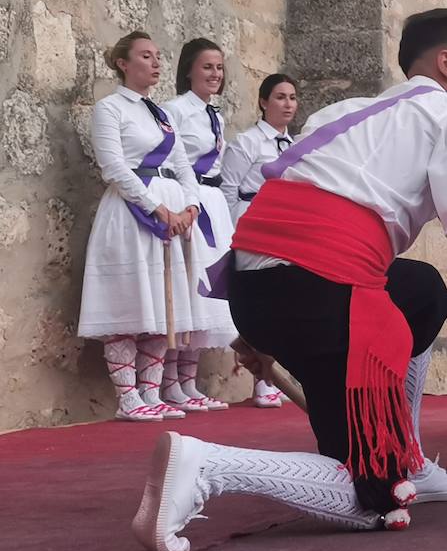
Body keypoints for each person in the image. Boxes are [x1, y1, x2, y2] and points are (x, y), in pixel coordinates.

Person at [131, 8, 447, 551]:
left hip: (262, 288)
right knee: (372, 499)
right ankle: (208, 465)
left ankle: (405, 455)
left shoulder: (347, 110)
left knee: (421, 290)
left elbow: (279, 200)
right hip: (322, 293)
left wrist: (257, 328)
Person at [78, 32, 202, 421]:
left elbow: (183, 164)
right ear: (123, 63)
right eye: (146, 56)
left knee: (161, 304)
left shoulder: (161, 114)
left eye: (158, 56)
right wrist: (156, 207)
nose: (156, 63)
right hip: (132, 212)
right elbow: (113, 166)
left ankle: (151, 392)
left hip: (171, 213)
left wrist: (191, 206)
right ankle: (128, 397)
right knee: (129, 300)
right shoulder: (109, 108)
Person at [158, 37, 237, 412]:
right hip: (190, 201)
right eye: (207, 66)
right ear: (189, 69)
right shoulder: (174, 110)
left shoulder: (215, 115)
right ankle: (170, 382)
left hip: (214, 203)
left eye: (219, 67)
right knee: (188, 285)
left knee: (206, 291)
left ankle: (188, 383)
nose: (215, 74)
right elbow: (168, 159)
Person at [219, 74, 298, 407]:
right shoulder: (247, 143)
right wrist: (232, 230)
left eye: (293, 97)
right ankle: (261, 378)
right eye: (280, 97)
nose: (288, 104)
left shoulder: (295, 146)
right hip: (254, 221)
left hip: (286, 225)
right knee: (260, 299)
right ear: (264, 102)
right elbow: (228, 188)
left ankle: (279, 371)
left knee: (285, 299)